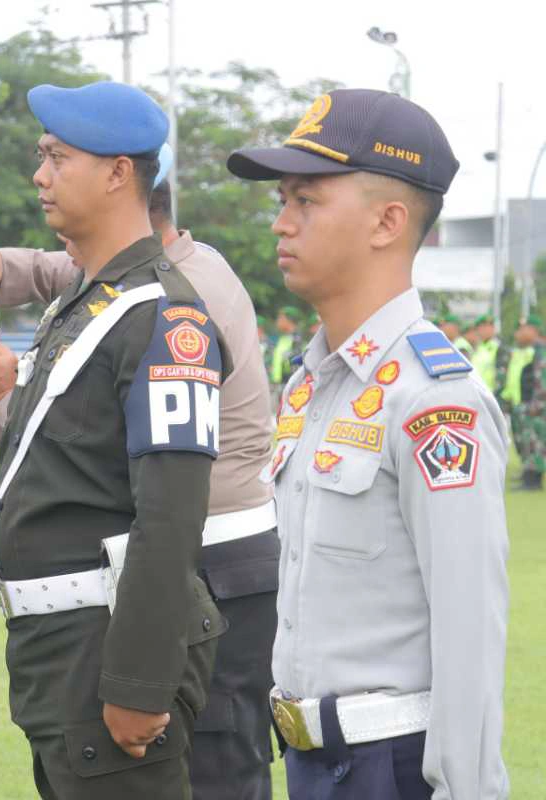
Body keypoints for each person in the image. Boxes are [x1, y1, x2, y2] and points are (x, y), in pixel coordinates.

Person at [0, 145, 280, 799]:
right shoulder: (106, 290)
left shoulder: (168, 305)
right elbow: (52, 270)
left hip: (206, 562)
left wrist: (139, 685)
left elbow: (161, 508)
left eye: (59, 161)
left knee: (219, 774)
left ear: (121, 178)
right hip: (114, 593)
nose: (39, 177)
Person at [227, 88, 509, 798]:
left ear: (387, 221)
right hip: (312, 761)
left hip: (393, 768)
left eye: (305, 201)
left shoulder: (434, 400)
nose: (279, 225)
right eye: (281, 201)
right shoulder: (316, 383)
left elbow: (469, 624)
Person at [507, 315, 544, 490]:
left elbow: (542, 381)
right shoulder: (535, 350)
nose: (519, 334)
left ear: (533, 330)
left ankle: (533, 481)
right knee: (531, 442)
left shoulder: (541, 350)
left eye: (523, 329)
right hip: (532, 403)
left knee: (536, 441)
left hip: (539, 406)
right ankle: (529, 476)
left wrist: (536, 405)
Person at [270, 306, 303, 387]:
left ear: (289, 320)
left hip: (290, 385)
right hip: (279, 385)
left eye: (280, 318)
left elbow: (296, 367)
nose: (277, 321)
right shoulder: (283, 338)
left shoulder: (297, 340)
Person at [470, 313, 501, 393]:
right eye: (483, 327)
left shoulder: (498, 348)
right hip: (476, 392)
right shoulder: (474, 349)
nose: (487, 330)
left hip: (491, 394)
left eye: (490, 326)